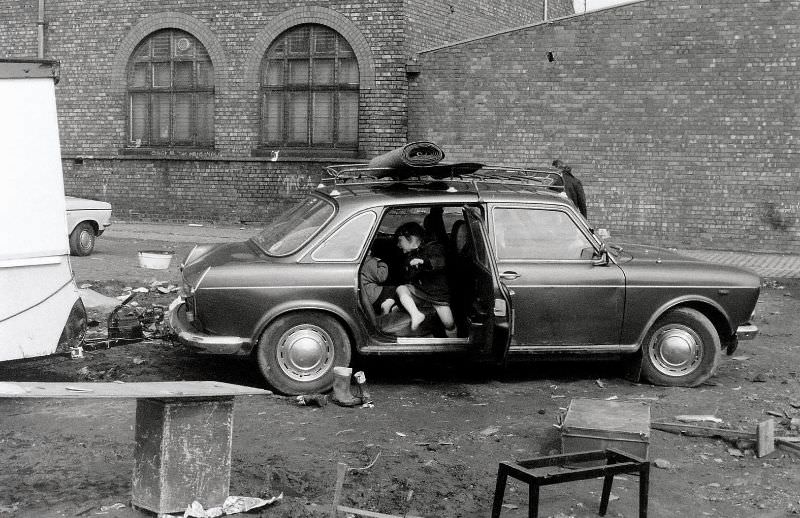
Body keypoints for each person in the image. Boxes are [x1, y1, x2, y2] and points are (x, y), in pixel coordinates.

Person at [381, 221, 456, 336]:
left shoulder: (433, 247)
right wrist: (392, 299)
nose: (398, 245)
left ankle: (454, 343)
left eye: (400, 240)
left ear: (411, 238)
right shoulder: (409, 255)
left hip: (437, 295)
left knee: (448, 323)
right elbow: (407, 280)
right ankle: (416, 314)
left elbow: (441, 262)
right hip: (420, 292)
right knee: (401, 289)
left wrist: (423, 262)